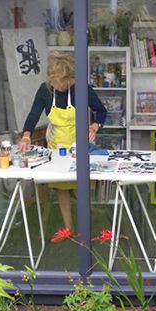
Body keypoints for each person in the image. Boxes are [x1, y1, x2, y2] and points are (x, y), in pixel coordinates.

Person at [19, 52, 106, 241]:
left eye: (60, 83)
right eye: (53, 82)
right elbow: (34, 114)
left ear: (69, 79)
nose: (56, 87)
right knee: (61, 186)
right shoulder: (45, 90)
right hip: (57, 144)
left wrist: (94, 126)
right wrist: (26, 135)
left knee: (81, 183)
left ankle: (86, 225)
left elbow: (101, 111)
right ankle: (69, 228)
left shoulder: (81, 89)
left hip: (80, 142)